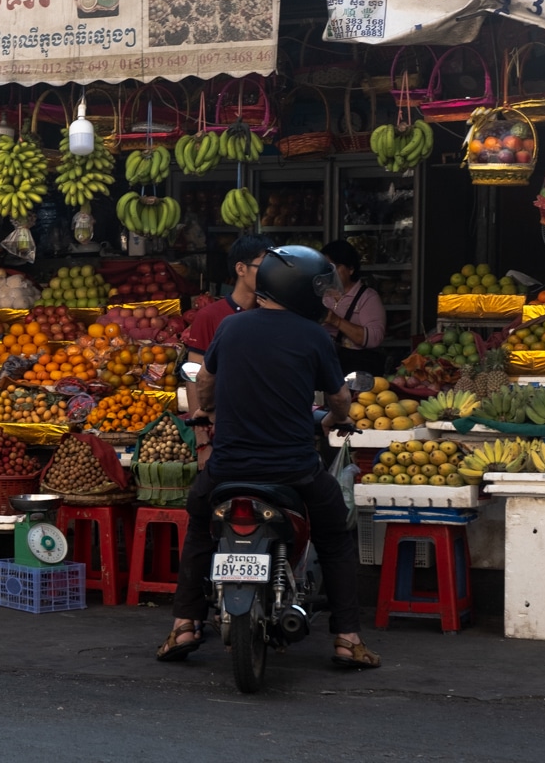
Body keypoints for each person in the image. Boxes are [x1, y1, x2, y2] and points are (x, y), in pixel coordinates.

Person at [156, 245, 381, 670]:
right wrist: (336, 417)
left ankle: (185, 624)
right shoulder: (313, 335)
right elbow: (338, 397)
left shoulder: (232, 328)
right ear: (299, 290)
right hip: (294, 470)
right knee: (335, 534)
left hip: (228, 467)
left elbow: (204, 382)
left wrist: (212, 410)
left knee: (200, 528)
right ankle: (347, 638)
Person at [182, 232, 273, 366]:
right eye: (265, 266)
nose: (270, 273)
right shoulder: (208, 316)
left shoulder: (274, 312)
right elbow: (195, 375)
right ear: (241, 269)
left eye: (273, 267)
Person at [319, 240, 388, 378]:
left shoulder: (368, 297)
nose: (330, 272)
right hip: (323, 367)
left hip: (356, 372)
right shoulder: (319, 294)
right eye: (327, 267)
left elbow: (374, 339)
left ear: (351, 269)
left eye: (336, 266)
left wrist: (336, 320)